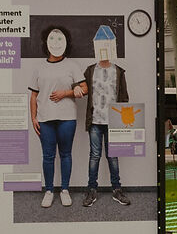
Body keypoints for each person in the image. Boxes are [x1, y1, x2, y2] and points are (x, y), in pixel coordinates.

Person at [30, 24, 84, 208]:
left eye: (60, 39)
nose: (56, 43)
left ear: (66, 43)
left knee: (66, 154)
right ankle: (49, 190)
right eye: (52, 39)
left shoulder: (72, 65)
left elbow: (84, 88)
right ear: (46, 42)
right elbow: (34, 95)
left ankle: (65, 190)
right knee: (48, 156)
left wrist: (66, 93)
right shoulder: (39, 68)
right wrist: (33, 117)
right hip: (45, 118)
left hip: (67, 117)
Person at [82, 24, 129, 205]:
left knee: (113, 156)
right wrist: (76, 88)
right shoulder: (90, 70)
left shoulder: (118, 71)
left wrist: (124, 122)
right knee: (94, 155)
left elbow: (124, 97)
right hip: (95, 121)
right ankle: (91, 190)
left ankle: (117, 189)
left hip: (113, 122)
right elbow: (83, 89)